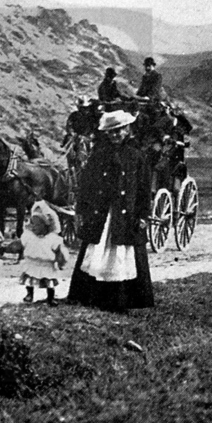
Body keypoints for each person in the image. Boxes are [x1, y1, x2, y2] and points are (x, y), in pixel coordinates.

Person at [67, 110, 154, 311]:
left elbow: (143, 189)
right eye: (111, 132)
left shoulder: (137, 156)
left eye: (119, 131)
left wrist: (143, 215)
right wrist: (83, 208)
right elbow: (87, 183)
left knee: (123, 254)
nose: (115, 135)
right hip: (102, 213)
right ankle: (92, 296)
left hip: (126, 213)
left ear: (127, 130)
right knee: (97, 252)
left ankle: (122, 300)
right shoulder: (99, 155)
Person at [18, 201, 69, 307]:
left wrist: (61, 262)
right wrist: (8, 247)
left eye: (37, 224)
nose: (33, 226)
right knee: (30, 280)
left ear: (46, 225)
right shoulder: (29, 236)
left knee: (49, 283)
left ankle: (50, 298)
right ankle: (29, 294)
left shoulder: (53, 239)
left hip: (47, 264)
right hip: (32, 262)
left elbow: (60, 252)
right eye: (32, 223)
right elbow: (19, 244)